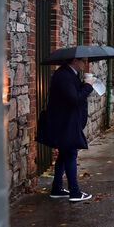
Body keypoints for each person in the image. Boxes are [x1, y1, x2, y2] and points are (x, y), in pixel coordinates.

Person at [36, 57, 94, 202]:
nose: (85, 64)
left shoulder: (69, 74)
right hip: (64, 122)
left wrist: (83, 84)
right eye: (84, 61)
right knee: (71, 153)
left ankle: (57, 188)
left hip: (66, 121)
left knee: (64, 153)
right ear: (75, 61)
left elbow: (70, 95)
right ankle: (75, 192)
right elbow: (73, 99)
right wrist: (87, 86)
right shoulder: (64, 75)